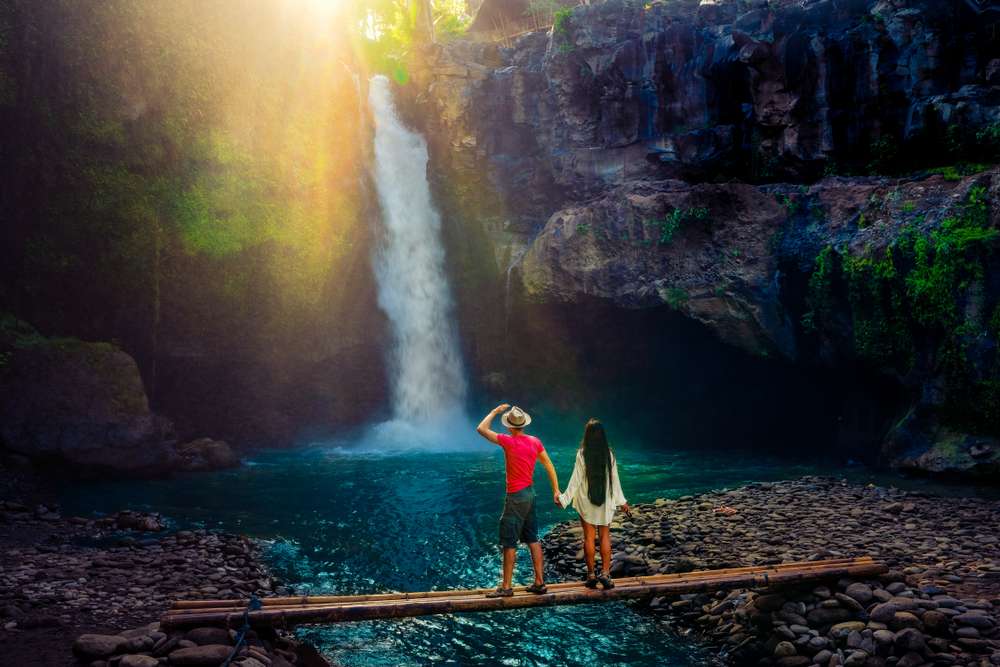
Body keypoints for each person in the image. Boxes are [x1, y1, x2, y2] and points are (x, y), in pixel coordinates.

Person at [476, 403, 561, 598]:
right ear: (523, 425)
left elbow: (481, 429)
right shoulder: (535, 441)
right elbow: (548, 464)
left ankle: (506, 587)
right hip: (530, 494)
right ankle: (540, 582)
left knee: (509, 541)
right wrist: (556, 489)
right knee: (532, 538)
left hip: (515, 496)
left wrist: (494, 411)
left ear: (509, 426)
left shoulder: (507, 441)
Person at [557, 418, 630, 590]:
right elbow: (615, 480)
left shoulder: (582, 453)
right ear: (603, 436)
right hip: (605, 501)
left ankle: (591, 575)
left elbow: (575, 480)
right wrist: (622, 501)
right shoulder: (609, 454)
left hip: (586, 500)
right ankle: (605, 574)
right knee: (605, 536)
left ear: (587, 435)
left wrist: (564, 499)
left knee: (589, 537)